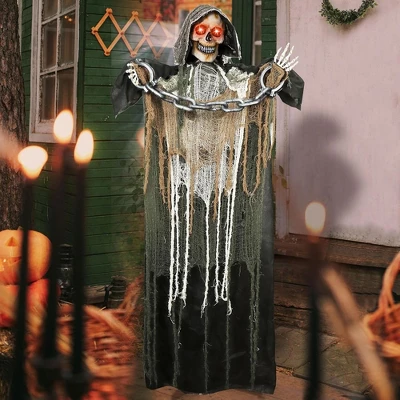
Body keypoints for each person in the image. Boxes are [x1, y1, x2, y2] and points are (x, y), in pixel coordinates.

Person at [112, 4, 304, 394]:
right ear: (189, 35)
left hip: (225, 196)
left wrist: (275, 76)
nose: (208, 38)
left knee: (226, 277)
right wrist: (140, 72)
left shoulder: (237, 78)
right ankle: (180, 368)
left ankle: (232, 369)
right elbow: (147, 74)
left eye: (216, 31)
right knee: (185, 277)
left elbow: (266, 80)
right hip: (182, 194)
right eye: (201, 29)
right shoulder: (173, 79)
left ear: (225, 38)